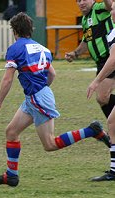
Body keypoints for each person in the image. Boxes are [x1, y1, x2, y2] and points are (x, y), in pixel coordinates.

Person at [0, 12, 110, 187]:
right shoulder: (41, 48)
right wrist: (43, 90)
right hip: (36, 96)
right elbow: (52, 74)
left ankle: (91, 130)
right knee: (11, 132)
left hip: (37, 98)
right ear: (31, 30)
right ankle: (11, 176)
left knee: (50, 144)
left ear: (14, 31)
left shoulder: (15, 48)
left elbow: (7, 79)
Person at [65, 0, 115, 119]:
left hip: (110, 58)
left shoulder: (98, 9)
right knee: (102, 98)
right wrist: (75, 54)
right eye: (78, 0)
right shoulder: (85, 20)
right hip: (101, 62)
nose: (81, 3)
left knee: (102, 97)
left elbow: (110, 6)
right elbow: (87, 40)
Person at [86, 0, 115, 182]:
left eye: (113, 8)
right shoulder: (112, 32)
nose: (111, 10)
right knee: (112, 121)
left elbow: (113, 60)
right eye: (111, 9)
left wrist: (96, 81)